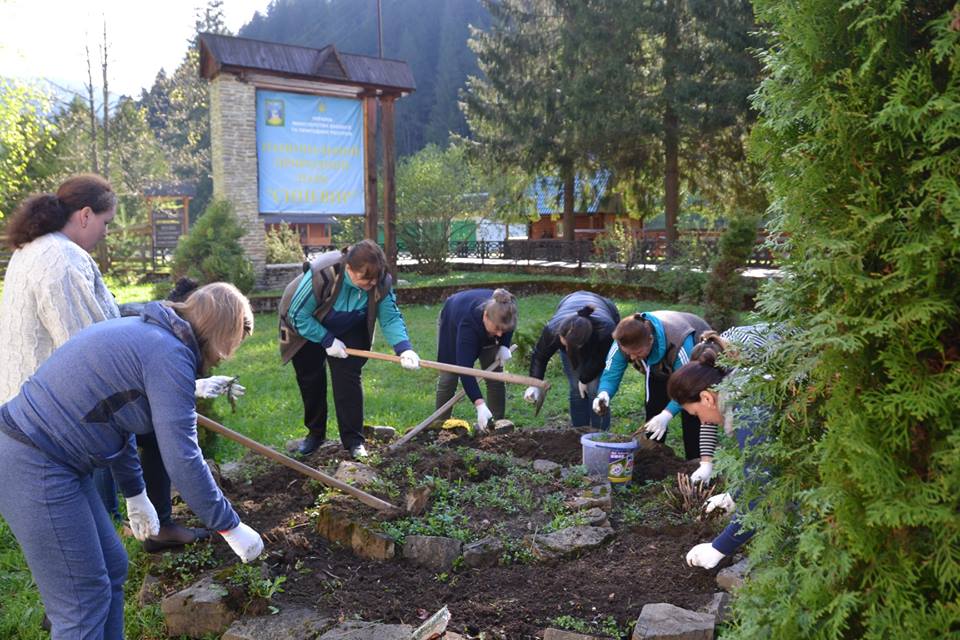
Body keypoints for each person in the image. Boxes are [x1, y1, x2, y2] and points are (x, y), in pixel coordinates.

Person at [0, 282, 264, 639]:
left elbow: (113, 417)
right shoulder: (169, 354)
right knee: (81, 604)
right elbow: (183, 457)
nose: (223, 357)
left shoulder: (150, 333)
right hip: (34, 460)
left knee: (112, 568)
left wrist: (135, 493)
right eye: (231, 345)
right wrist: (229, 524)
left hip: (54, 460)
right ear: (220, 333)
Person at [0, 174, 239, 551]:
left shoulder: (37, 248)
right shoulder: (62, 262)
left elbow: (108, 321)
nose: (106, 232)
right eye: (105, 222)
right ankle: (124, 524)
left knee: (147, 431)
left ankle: (131, 522)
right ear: (84, 215)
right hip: (54, 412)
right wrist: (176, 389)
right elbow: (89, 353)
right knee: (156, 433)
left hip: (32, 401)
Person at [278, 240, 419, 458]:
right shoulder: (323, 273)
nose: (371, 284)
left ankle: (354, 441)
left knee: (348, 378)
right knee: (311, 379)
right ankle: (315, 435)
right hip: (305, 323)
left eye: (375, 279)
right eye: (365, 279)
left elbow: (390, 318)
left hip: (347, 325)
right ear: (349, 269)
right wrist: (326, 340)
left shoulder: (379, 282)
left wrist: (404, 349)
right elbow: (297, 315)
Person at [666, 324, 777, 569]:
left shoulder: (749, 409)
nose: (702, 421)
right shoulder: (740, 386)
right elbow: (767, 469)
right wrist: (734, 496)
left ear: (706, 397)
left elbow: (764, 493)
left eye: (695, 413)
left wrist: (720, 547)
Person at [593, 310, 711, 460]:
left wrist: (667, 414)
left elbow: (688, 386)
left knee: (692, 412)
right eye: (628, 353)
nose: (632, 357)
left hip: (697, 358)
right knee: (654, 408)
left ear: (651, 340)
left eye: (637, 352)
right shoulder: (624, 340)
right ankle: (653, 459)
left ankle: (696, 463)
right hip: (660, 365)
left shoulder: (679, 341)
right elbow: (611, 372)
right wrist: (604, 393)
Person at [522, 291, 620, 429]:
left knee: (594, 389)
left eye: (567, 345)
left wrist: (585, 378)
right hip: (569, 301)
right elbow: (540, 356)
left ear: (581, 344)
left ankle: (601, 435)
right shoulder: (553, 330)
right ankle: (579, 432)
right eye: (562, 341)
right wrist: (534, 383)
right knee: (576, 388)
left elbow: (601, 358)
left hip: (602, 329)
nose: (563, 344)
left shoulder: (605, 331)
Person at [435, 288, 518, 433]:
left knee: (495, 377)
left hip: (482, 322)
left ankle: (496, 424)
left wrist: (504, 344)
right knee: (449, 377)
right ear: (486, 316)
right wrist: (479, 403)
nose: (499, 334)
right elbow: (465, 370)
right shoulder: (468, 325)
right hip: (452, 322)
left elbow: (508, 326)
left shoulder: (507, 310)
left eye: (502, 331)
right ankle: (440, 425)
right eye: (497, 328)